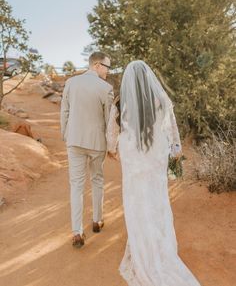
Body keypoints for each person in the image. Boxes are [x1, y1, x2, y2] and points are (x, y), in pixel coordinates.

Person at [107, 60, 201, 286]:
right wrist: (175, 149)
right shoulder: (160, 100)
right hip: (155, 156)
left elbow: (111, 134)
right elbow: (172, 129)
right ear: (148, 77)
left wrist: (114, 151)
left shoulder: (120, 103)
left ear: (129, 79)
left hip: (132, 157)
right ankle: (161, 245)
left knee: (136, 201)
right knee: (157, 200)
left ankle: (142, 245)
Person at [60, 51, 114, 248]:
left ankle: (77, 231)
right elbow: (109, 120)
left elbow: (64, 110)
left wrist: (65, 134)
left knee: (76, 185)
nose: (108, 71)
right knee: (97, 180)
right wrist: (111, 145)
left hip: (74, 140)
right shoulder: (106, 88)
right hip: (97, 142)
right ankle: (97, 221)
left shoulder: (71, 83)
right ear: (98, 65)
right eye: (107, 67)